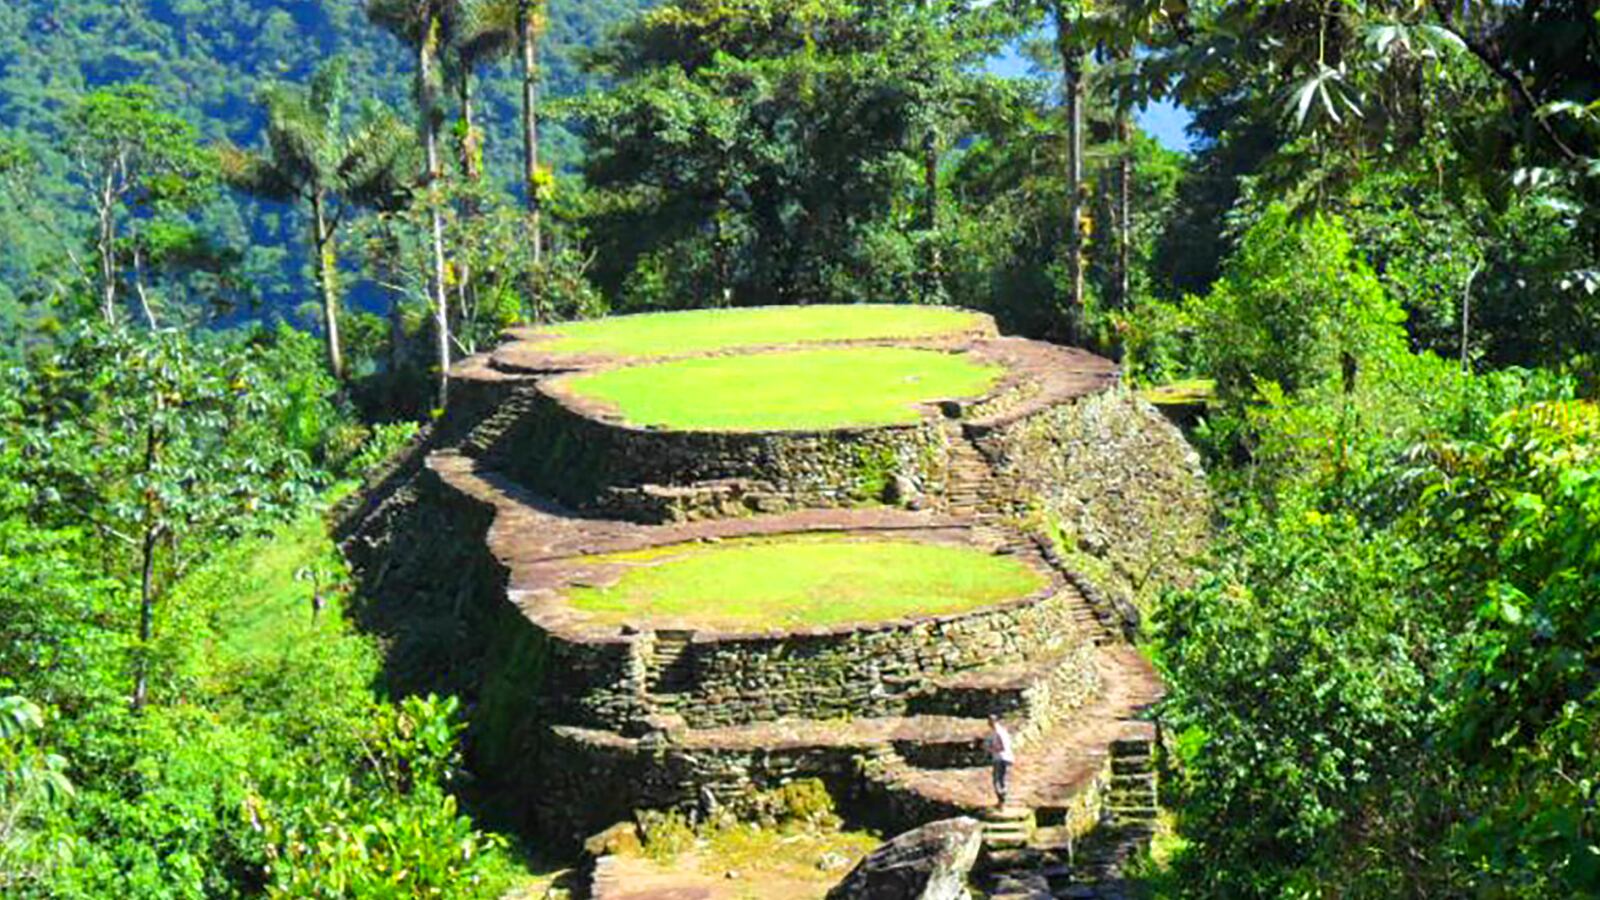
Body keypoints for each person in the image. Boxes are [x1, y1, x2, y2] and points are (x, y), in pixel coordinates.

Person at [985, 714, 1014, 808]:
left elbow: (1002, 747)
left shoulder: (998, 732)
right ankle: (1002, 800)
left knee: (997, 780)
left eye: (990, 721)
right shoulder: (999, 731)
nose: (988, 723)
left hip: (1000, 758)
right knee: (1001, 779)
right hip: (1004, 757)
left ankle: (1001, 800)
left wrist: (990, 748)